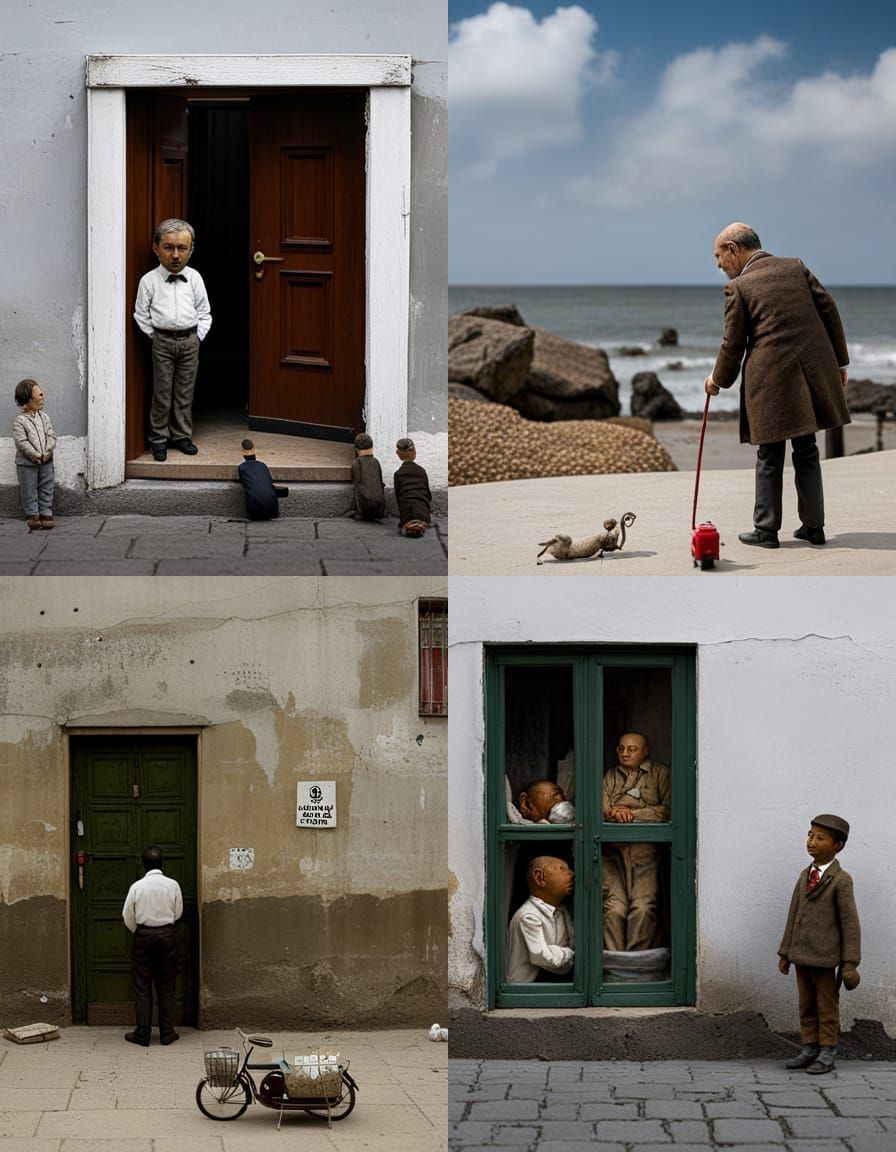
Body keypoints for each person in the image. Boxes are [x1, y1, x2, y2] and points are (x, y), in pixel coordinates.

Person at [704, 223, 849, 549]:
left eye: (718, 256)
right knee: (807, 449)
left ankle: (766, 531)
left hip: (770, 380)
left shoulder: (739, 287)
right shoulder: (795, 267)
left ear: (732, 249)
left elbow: (733, 345)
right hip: (810, 374)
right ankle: (814, 528)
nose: (717, 265)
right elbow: (829, 309)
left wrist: (716, 381)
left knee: (769, 454)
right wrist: (840, 362)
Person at [778, 814, 861, 1075]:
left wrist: (850, 963)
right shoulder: (805, 875)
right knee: (806, 1005)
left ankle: (827, 1050)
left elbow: (850, 923)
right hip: (801, 955)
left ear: (838, 845)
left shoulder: (841, 880)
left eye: (820, 838)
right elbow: (793, 914)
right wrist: (785, 953)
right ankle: (809, 1047)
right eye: (810, 835)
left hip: (825, 959)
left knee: (827, 1006)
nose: (811, 842)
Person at [134, 219, 212, 462]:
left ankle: (182, 436)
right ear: (156, 248)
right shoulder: (149, 281)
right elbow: (141, 313)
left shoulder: (195, 278)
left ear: (191, 250)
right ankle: (158, 438)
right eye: (169, 247)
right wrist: (156, 337)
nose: (176, 255)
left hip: (190, 340)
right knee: (162, 392)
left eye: (182, 248)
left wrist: (197, 337)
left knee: (185, 392)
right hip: (162, 342)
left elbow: (204, 312)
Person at [602, 732, 670, 952]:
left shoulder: (660, 774)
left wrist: (632, 815)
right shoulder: (610, 776)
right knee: (613, 909)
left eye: (632, 749)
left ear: (645, 751)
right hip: (612, 854)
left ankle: (637, 970)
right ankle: (616, 967)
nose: (625, 753)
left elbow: (667, 811)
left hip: (646, 854)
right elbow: (600, 808)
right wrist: (613, 814)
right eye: (621, 748)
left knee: (643, 908)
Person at [122, 846, 183, 1046]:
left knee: (142, 986)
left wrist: (141, 931)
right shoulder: (173, 885)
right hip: (167, 936)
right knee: (167, 986)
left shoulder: (137, 887)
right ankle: (167, 1033)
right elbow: (178, 912)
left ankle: (142, 1034)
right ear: (162, 863)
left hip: (144, 937)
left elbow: (127, 916)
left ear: (143, 864)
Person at [506, 856, 575, 982]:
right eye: (561, 869)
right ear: (540, 878)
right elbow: (541, 956)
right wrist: (571, 954)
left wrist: (557, 953)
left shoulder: (562, 911)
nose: (571, 874)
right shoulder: (528, 916)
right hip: (529, 990)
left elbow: (572, 943)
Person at [12, 379, 56, 531]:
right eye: (39, 395)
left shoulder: (44, 418)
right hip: (27, 464)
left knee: (46, 487)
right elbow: (21, 441)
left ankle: (45, 512)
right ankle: (32, 514)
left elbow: (51, 435)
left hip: (46, 461)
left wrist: (48, 451)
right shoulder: (19, 421)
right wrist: (34, 454)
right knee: (29, 488)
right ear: (29, 400)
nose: (42, 397)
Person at [394, 437, 432, 537]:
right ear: (414, 452)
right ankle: (420, 523)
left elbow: (398, 497)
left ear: (398, 454)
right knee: (420, 515)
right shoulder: (422, 471)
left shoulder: (398, 474)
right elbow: (428, 494)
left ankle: (410, 524)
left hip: (406, 512)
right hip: (423, 512)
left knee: (408, 514)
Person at [238, 438, 281, 520]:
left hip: (255, 511)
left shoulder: (242, 467)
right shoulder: (263, 465)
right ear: (254, 451)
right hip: (273, 509)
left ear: (243, 453)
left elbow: (244, 484)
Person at [350, 433, 386, 520]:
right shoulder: (376, 462)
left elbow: (357, 487)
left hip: (364, 509)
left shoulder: (356, 463)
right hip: (380, 507)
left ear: (356, 449)